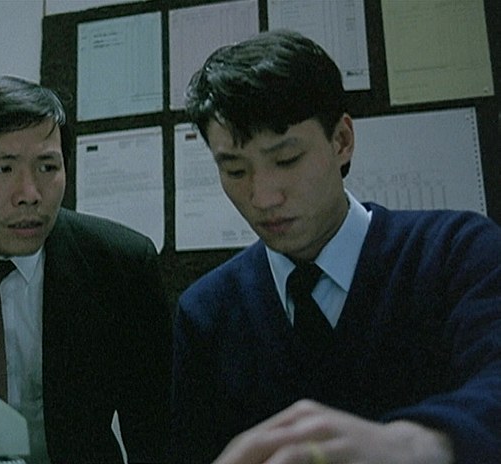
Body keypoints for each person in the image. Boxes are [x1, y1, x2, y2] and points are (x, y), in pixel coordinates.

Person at [172, 29, 501, 464]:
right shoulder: (206, 313)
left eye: (287, 160)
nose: (263, 197)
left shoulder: (456, 253)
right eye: (235, 170)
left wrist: (417, 445)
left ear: (341, 141)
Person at [0, 75, 171, 463]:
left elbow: (157, 432)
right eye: (3, 169)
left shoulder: (121, 266)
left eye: (47, 167)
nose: (30, 194)